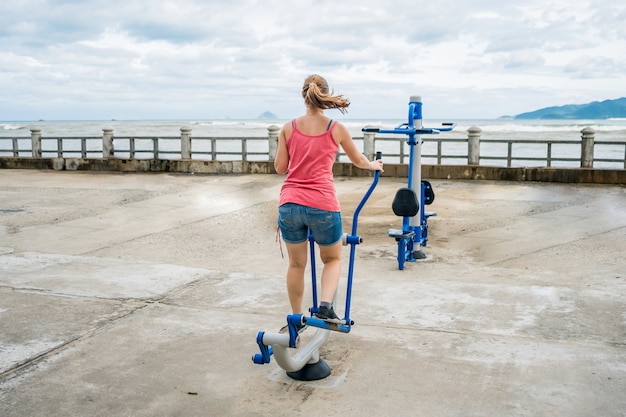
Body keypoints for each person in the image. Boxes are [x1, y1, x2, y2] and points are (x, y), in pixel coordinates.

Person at [274, 74, 383, 322]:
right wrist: (374, 165)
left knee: (296, 265)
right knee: (332, 258)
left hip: (289, 204)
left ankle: (295, 318)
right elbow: (358, 161)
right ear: (324, 95)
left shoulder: (287, 127)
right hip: (322, 205)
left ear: (303, 96)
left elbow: (280, 168)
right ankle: (325, 307)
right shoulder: (337, 129)